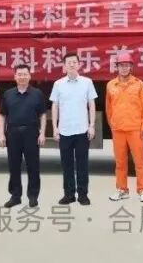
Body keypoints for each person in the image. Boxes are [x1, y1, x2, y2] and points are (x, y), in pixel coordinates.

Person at [50, 53, 97, 206]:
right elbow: (55, 106)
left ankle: (83, 195)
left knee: (82, 164)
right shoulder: (58, 84)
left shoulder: (87, 82)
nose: (71, 64)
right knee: (67, 165)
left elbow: (91, 104)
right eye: (68, 62)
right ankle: (69, 194)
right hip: (64, 130)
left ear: (79, 64)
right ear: (64, 66)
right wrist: (55, 127)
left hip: (82, 130)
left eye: (74, 62)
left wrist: (91, 125)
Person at [0, 64, 46, 209]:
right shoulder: (8, 94)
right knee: (14, 166)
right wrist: (2, 135)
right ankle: (15, 196)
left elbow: (43, 115)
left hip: (31, 133)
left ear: (29, 76)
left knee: (33, 166)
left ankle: (33, 196)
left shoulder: (37, 94)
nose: (22, 77)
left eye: (25, 74)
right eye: (19, 74)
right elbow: (2, 115)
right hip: (13, 133)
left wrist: (42, 133)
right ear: (15, 77)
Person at [105, 52, 143, 202]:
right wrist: (113, 125)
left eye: (126, 65)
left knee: (139, 162)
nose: (124, 68)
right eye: (121, 65)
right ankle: (122, 190)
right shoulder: (111, 85)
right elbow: (109, 109)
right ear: (117, 67)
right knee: (120, 163)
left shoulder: (139, 84)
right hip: (118, 129)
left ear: (131, 67)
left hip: (135, 129)